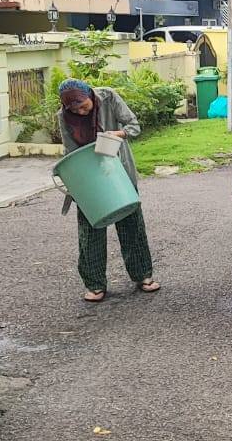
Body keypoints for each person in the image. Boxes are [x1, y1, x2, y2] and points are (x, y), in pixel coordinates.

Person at [58, 79, 160, 302]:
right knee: (90, 231)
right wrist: (75, 182)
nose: (81, 112)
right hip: (88, 177)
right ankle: (95, 285)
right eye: (75, 110)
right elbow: (70, 150)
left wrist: (117, 135)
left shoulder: (109, 97)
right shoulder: (64, 116)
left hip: (118, 171)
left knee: (131, 225)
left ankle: (143, 276)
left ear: (90, 96)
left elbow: (133, 126)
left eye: (83, 105)